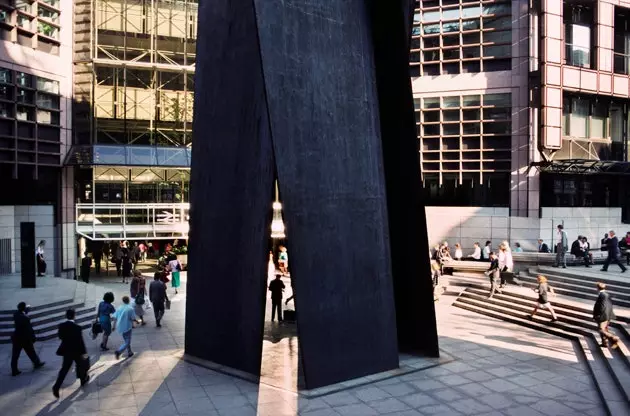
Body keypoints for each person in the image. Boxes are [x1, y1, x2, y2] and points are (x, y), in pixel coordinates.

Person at [52, 309, 89, 398]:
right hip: (77, 351)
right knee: (81, 365)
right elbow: (81, 342)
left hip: (67, 351)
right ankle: (83, 380)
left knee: (64, 369)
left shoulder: (61, 326)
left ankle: (56, 386)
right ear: (74, 316)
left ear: (66, 316)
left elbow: (60, 337)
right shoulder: (78, 327)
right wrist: (84, 352)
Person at [11, 302, 45, 376]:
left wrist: (24, 312)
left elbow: (20, 315)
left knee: (15, 355)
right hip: (25, 338)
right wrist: (33, 337)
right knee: (31, 351)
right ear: (23, 308)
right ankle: (37, 363)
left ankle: (14, 370)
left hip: (17, 337)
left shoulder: (15, 314)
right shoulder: (25, 318)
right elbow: (29, 329)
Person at [593, 283, 620, 349]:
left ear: (597, 288)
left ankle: (614, 338)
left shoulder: (603, 295)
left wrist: (598, 315)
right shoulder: (606, 294)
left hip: (603, 316)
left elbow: (602, 307)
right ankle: (604, 343)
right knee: (604, 329)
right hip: (607, 315)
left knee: (601, 330)